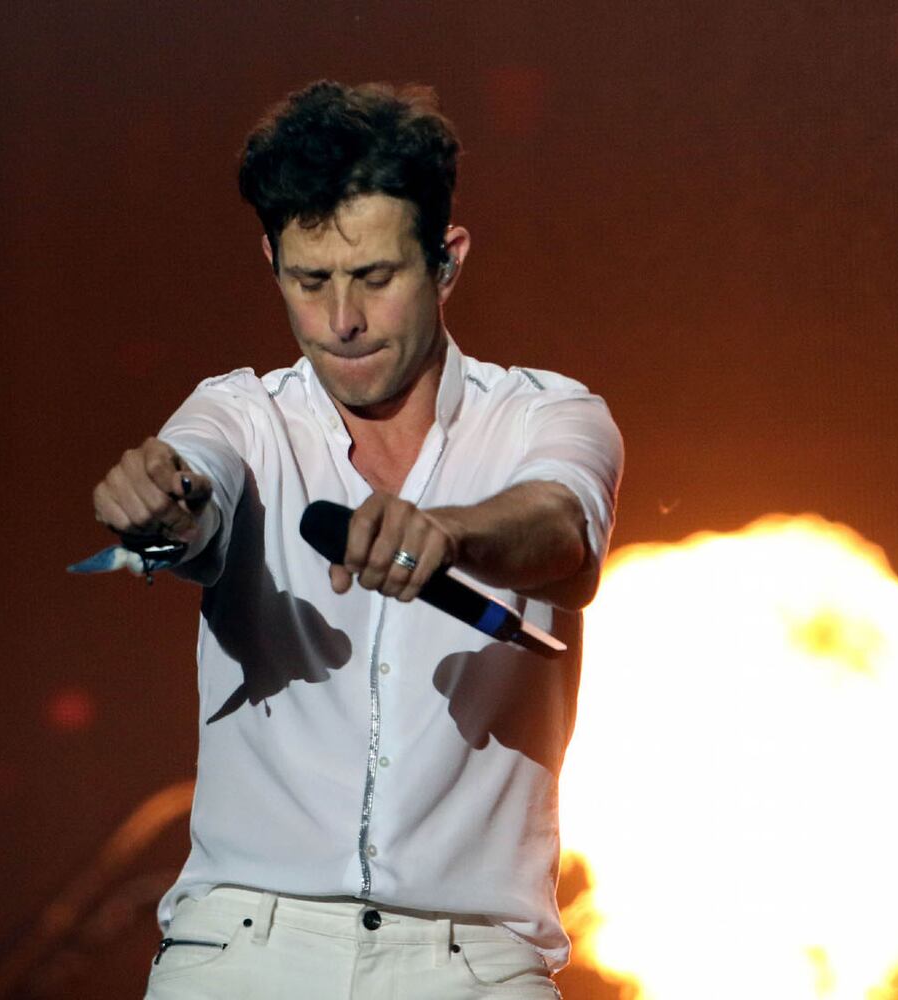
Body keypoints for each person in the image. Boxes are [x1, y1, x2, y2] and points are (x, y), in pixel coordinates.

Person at [91, 80, 623, 999]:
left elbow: (562, 532)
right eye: (310, 281)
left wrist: (449, 532)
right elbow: (195, 479)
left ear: (447, 261)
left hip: (474, 961)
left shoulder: (548, 413)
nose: (341, 321)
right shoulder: (241, 413)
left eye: (375, 278)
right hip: (241, 947)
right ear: (272, 261)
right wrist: (163, 505)